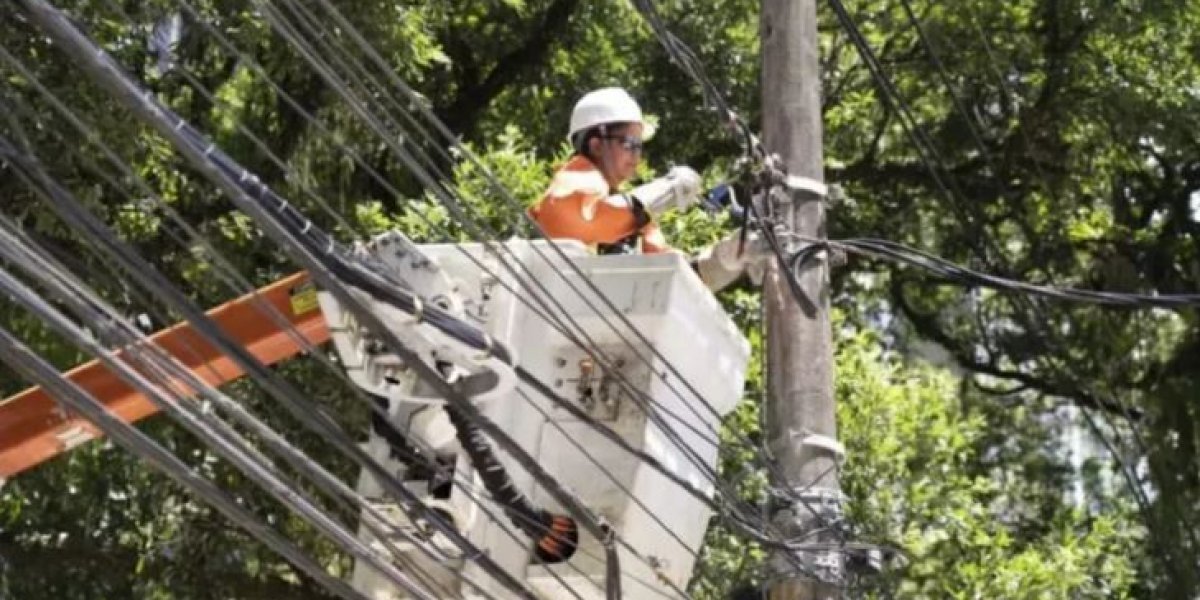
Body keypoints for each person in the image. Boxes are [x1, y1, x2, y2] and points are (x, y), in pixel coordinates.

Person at [529, 87, 766, 291]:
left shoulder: (635, 222)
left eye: (639, 147)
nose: (636, 157)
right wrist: (668, 189)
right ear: (597, 145)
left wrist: (723, 259)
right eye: (630, 144)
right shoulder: (573, 181)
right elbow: (590, 220)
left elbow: (675, 279)